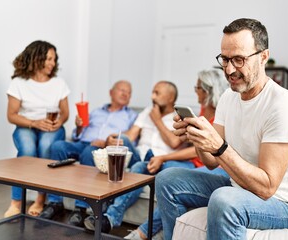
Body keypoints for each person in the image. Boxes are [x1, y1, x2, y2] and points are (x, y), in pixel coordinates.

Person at [156, 18, 288, 240]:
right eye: (225, 59)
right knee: (167, 179)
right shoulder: (229, 97)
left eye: (239, 59)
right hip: (238, 186)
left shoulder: (283, 104)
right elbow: (210, 162)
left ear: (263, 57)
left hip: (284, 204)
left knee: (224, 199)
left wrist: (218, 146)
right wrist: (197, 137)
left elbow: (267, 187)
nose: (229, 69)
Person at [123, 69, 229, 240]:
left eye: (197, 88)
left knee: (168, 174)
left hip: (202, 164)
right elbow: (195, 144)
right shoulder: (202, 110)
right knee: (145, 167)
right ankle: (111, 216)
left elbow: (206, 151)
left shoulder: (221, 115)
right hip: (198, 161)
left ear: (208, 90)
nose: (195, 91)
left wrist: (164, 156)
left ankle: (143, 232)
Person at [82, 80, 188, 234]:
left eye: (157, 93)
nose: (152, 96)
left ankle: (109, 218)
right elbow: (130, 136)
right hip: (140, 156)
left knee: (138, 168)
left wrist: (157, 120)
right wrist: (112, 139)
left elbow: (174, 142)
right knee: (124, 143)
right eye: (153, 92)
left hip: (162, 160)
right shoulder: (146, 112)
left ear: (171, 98)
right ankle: (102, 202)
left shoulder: (180, 117)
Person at [38, 80, 138, 227]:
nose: (125, 94)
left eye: (129, 92)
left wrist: (105, 142)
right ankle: (54, 202)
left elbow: (129, 140)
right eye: (122, 90)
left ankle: (81, 208)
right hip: (82, 143)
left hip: (103, 148)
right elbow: (78, 134)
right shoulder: (97, 111)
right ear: (111, 92)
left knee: (89, 152)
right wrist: (78, 127)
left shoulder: (131, 116)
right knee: (58, 146)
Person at [5, 40, 70, 218]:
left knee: (46, 148)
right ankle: (16, 202)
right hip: (27, 125)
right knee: (27, 149)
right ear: (36, 57)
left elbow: (65, 113)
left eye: (54, 59)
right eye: (48, 58)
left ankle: (40, 199)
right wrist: (34, 123)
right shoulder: (18, 83)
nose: (52, 63)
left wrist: (59, 121)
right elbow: (12, 115)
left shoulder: (58, 84)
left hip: (52, 127)